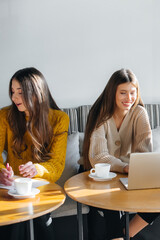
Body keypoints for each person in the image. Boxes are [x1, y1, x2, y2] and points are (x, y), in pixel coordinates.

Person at [82, 68, 159, 240]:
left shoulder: (139, 113)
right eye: (123, 93)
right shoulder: (99, 113)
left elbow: (144, 153)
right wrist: (124, 167)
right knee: (111, 200)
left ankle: (124, 235)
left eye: (133, 92)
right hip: (96, 172)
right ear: (112, 93)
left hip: (128, 172)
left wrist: (132, 168)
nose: (129, 98)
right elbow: (98, 157)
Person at [0, 67, 69, 240]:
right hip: (11, 186)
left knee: (33, 217)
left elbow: (56, 165)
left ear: (36, 93)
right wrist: (2, 171)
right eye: (12, 92)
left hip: (41, 187)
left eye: (20, 92)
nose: (14, 98)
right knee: (17, 217)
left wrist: (36, 169)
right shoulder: (4, 116)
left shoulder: (59, 119)